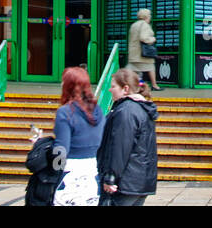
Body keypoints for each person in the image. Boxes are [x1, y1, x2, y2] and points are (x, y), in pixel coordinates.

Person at [96, 68, 158, 206]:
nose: (110, 90)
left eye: (113, 87)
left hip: (126, 183)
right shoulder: (143, 108)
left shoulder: (126, 111)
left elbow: (120, 148)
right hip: (140, 182)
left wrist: (111, 177)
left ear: (125, 88)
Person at [51, 66, 104, 205]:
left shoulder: (65, 112)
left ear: (68, 86)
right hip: (92, 170)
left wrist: (53, 171)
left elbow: (61, 149)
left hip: (70, 173)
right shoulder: (97, 111)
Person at [127, 8, 161, 92]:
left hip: (133, 53)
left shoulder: (134, 25)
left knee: (137, 72)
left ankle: (139, 86)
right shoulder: (144, 25)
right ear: (147, 16)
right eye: (149, 15)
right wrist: (153, 39)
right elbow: (143, 38)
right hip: (142, 53)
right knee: (150, 68)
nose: (150, 17)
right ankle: (154, 85)